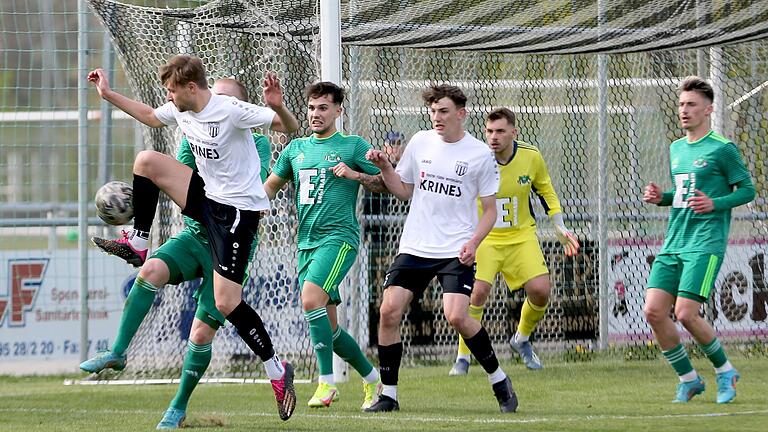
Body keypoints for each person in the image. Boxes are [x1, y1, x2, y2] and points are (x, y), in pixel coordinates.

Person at [85, 55, 299, 420]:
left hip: (234, 215)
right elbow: (151, 116)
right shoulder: (181, 110)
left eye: (171, 90)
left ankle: (276, 371)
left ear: (190, 87)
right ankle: (138, 243)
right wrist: (109, 95)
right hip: (205, 203)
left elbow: (287, 127)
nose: (167, 96)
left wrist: (278, 105)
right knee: (146, 161)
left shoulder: (231, 110)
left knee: (228, 303)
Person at [363, 84, 518, 413]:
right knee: (389, 311)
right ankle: (388, 394)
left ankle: (498, 379)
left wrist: (474, 243)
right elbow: (404, 191)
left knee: (456, 316)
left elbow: (490, 210)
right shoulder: (420, 141)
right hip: (416, 245)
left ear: (461, 114)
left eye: (443, 111)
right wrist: (386, 167)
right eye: (433, 111)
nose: (437, 117)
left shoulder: (479, 154)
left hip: (455, 249)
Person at [263, 81, 386, 410]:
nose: (316, 114)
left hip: (339, 239)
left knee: (310, 298)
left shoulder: (352, 146)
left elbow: (386, 182)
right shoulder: (295, 149)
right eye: (312, 108)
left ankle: (326, 383)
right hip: (306, 245)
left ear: (338, 111)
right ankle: (374, 381)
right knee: (329, 329)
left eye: (323, 108)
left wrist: (355, 175)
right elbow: (269, 189)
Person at [643, 76, 755, 404]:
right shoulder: (676, 148)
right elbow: (683, 194)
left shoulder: (723, 149)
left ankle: (725, 371)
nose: (684, 110)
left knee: (687, 313)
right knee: (653, 311)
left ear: (708, 109)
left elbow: (748, 190)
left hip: (705, 244)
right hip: (674, 241)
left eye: (691, 104)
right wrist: (660, 197)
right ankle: (689, 379)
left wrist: (715, 204)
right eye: (681, 104)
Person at [448, 108, 580, 375]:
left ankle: (521, 339)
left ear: (513, 132)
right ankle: (463, 357)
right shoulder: (475, 158)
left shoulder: (531, 157)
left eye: (500, 131)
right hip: (485, 238)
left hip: (521, 236)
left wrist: (559, 227)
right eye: (489, 131)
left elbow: (546, 191)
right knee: (477, 292)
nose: (493, 137)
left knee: (541, 290)